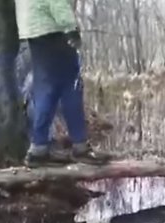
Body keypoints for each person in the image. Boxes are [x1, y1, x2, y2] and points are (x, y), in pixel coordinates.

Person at [13, 0, 109, 167]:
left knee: (46, 89)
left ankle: (38, 149)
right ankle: (80, 147)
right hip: (53, 30)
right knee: (71, 87)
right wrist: (70, 28)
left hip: (33, 30)